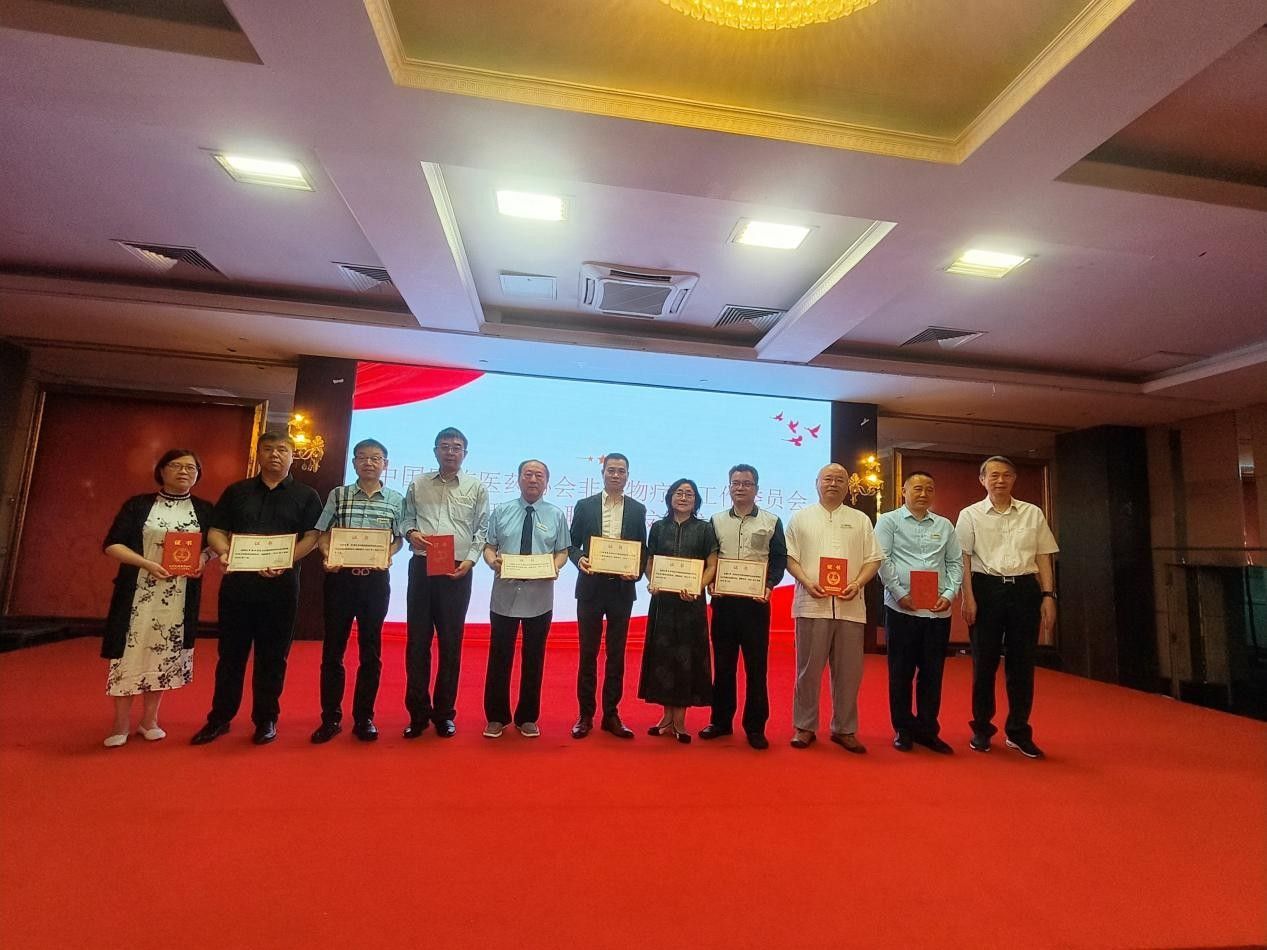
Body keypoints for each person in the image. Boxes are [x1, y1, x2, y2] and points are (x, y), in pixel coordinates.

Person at [191, 432, 322, 746]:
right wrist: (224, 552)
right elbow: (217, 530)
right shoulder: (237, 491)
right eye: (268, 449)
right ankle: (220, 718)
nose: (275, 455)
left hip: (281, 586)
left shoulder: (306, 495)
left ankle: (266, 719)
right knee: (230, 655)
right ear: (259, 455)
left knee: (273, 656)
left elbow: (313, 537)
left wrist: (286, 559)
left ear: (292, 455)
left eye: (282, 450)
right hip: (238, 585)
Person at [100, 449, 215, 747]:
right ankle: (120, 722)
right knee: (128, 653)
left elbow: (213, 544)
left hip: (178, 596)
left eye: (191, 468)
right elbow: (112, 544)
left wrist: (204, 558)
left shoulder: (204, 509)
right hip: (138, 592)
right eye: (176, 466)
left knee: (164, 652)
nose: (184, 472)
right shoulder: (138, 505)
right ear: (161, 470)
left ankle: (149, 719)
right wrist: (146, 564)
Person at [956, 456, 1059, 758]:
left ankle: (1018, 731)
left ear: (1014, 479)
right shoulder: (970, 514)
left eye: (1006, 475)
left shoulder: (1032, 513)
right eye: (993, 475)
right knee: (984, 663)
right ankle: (981, 729)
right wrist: (968, 596)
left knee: (1022, 663)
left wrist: (1048, 595)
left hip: (1025, 589)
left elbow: (1043, 556)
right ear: (982, 480)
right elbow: (962, 558)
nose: (1000, 480)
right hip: (986, 589)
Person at [309, 439, 404, 745]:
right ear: (353, 463)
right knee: (333, 650)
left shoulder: (396, 499)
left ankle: (364, 718)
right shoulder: (338, 495)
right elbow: (323, 534)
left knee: (370, 651)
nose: (369, 463)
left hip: (374, 583)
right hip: (340, 581)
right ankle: (330, 718)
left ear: (385, 464)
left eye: (376, 458)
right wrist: (327, 554)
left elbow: (399, 539)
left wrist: (388, 553)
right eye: (362, 457)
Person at [785, 463, 884, 753]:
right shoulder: (800, 518)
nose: (833, 483)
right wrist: (806, 581)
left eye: (840, 479)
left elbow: (873, 559)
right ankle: (804, 726)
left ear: (847, 485)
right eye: (827, 478)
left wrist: (858, 583)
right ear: (816, 483)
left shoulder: (860, 520)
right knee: (807, 671)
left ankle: (845, 729)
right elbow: (790, 557)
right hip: (811, 605)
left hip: (850, 606)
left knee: (849, 673)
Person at [400, 426, 489, 739]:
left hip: (457, 570)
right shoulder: (418, 483)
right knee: (417, 642)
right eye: (445, 446)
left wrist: (471, 561)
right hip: (423, 566)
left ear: (465, 453)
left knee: (451, 644)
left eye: (456, 447)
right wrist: (411, 533)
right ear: (435, 451)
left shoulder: (476, 487)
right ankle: (417, 714)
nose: (451, 452)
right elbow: (406, 519)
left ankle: (444, 714)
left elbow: (482, 529)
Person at [480, 459, 570, 739]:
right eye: (528, 474)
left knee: (534, 659)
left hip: (539, 598)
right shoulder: (502, 511)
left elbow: (563, 551)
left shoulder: (556, 515)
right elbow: (489, 547)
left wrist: (555, 566)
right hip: (504, 595)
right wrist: (492, 561)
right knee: (499, 657)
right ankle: (496, 717)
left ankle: (527, 717)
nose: (533, 480)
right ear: (518, 479)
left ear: (547, 482)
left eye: (539, 475)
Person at [875, 470, 963, 754]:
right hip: (901, 609)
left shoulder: (945, 525)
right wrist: (899, 593)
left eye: (928, 489)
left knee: (932, 673)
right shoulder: (889, 521)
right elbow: (882, 559)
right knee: (900, 672)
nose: (923, 494)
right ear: (904, 491)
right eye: (917, 488)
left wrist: (949, 594)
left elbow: (955, 563)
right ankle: (903, 729)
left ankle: (927, 730)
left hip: (937, 613)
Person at [702, 464, 786, 750]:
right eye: (735, 483)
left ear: (756, 488)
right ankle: (721, 722)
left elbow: (778, 559)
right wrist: (709, 581)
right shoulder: (715, 521)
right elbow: (710, 558)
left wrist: (769, 585)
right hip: (724, 604)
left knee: (756, 669)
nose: (740, 488)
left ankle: (755, 727)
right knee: (723, 666)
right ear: (729, 487)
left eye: (746, 483)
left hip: (755, 606)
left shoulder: (771, 521)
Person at [568, 453, 647, 740]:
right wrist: (580, 559)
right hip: (591, 588)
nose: (616, 475)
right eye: (611, 470)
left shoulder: (637, 509)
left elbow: (642, 550)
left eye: (621, 471)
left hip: (621, 591)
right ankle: (585, 715)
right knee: (588, 653)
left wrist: (635, 572)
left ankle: (611, 714)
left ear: (627, 476)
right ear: (602, 473)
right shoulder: (585, 506)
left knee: (616, 654)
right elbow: (571, 544)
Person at [638, 478, 718, 743]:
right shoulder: (658, 527)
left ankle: (680, 720)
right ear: (670, 497)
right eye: (679, 493)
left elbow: (712, 564)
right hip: (663, 603)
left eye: (689, 494)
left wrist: (698, 587)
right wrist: (653, 581)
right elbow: (650, 560)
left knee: (686, 659)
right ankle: (666, 717)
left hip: (690, 604)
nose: (683, 497)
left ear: (696, 501)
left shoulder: (705, 529)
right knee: (663, 658)